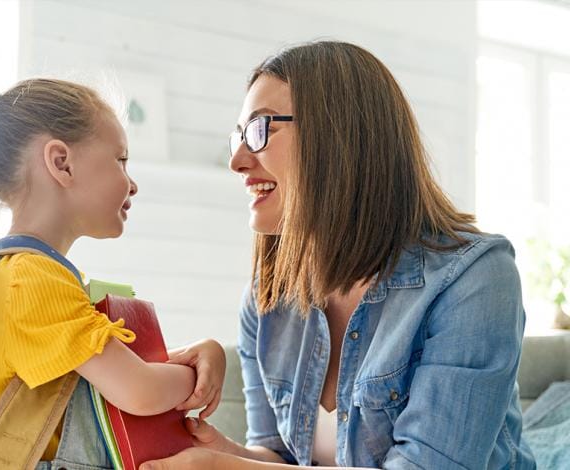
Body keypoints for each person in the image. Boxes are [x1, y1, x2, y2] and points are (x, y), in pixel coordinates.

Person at [141, 41, 536, 469]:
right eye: (237, 136)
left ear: (339, 136)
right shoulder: (266, 298)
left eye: (259, 130)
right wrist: (216, 448)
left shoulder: (475, 279)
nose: (237, 160)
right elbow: (278, 456)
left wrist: (224, 468)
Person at [0, 76, 226, 468]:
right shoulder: (33, 279)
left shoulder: (4, 274)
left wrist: (202, 354)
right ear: (62, 163)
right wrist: (200, 378)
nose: (133, 184)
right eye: (120, 160)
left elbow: (98, 378)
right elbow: (139, 390)